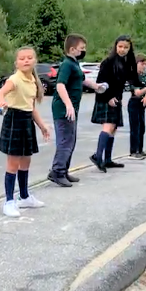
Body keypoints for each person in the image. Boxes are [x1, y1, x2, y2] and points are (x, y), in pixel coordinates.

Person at [0, 46, 50, 217]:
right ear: (16, 63)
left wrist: (43, 126)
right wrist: (2, 102)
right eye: (22, 58)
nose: (26, 60)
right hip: (14, 119)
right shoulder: (14, 79)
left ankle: (24, 197)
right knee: (13, 164)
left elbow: (31, 108)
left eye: (29, 57)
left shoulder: (32, 80)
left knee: (26, 161)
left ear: (35, 60)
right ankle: (9, 201)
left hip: (26, 121)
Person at [48, 34, 105, 187]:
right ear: (72, 49)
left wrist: (96, 86)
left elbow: (81, 79)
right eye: (82, 49)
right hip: (64, 110)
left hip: (72, 108)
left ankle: (64, 169)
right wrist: (68, 104)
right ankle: (57, 171)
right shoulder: (66, 64)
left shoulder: (74, 64)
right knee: (65, 140)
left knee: (71, 139)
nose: (83, 51)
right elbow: (60, 85)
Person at [90, 36, 141, 173]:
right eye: (120, 47)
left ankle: (107, 159)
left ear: (130, 48)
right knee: (108, 126)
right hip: (106, 97)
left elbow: (133, 79)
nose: (122, 49)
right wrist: (108, 97)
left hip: (116, 98)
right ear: (115, 46)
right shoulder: (109, 62)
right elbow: (100, 82)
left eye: (126, 47)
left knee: (113, 129)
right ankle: (97, 156)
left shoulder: (126, 62)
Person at [128, 53, 146, 159]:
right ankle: (133, 151)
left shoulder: (143, 75)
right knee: (135, 127)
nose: (144, 66)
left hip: (142, 104)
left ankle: (140, 149)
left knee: (142, 127)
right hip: (134, 102)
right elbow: (137, 92)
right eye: (143, 64)